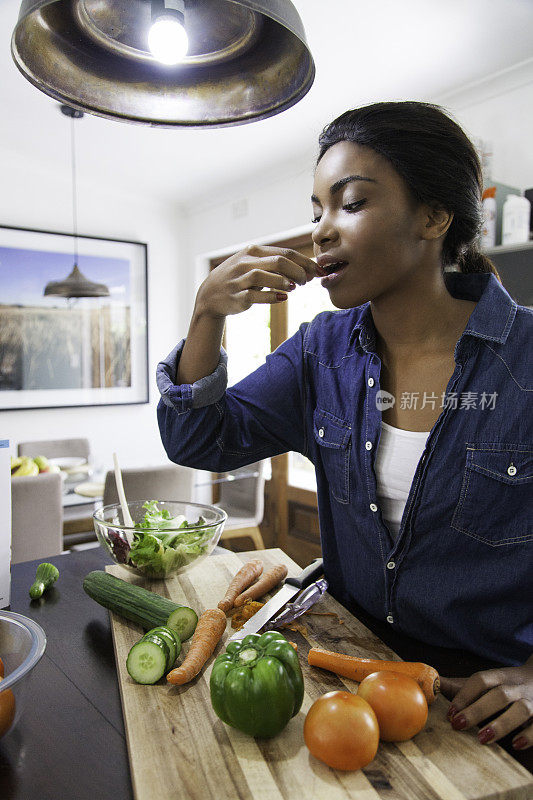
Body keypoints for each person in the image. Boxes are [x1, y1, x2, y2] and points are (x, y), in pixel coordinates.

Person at [156, 101, 532, 755]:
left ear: (433, 216)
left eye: (350, 203)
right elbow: (199, 441)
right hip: (347, 683)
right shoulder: (317, 351)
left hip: (488, 716)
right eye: (316, 211)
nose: (321, 232)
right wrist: (206, 315)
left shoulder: (524, 357)